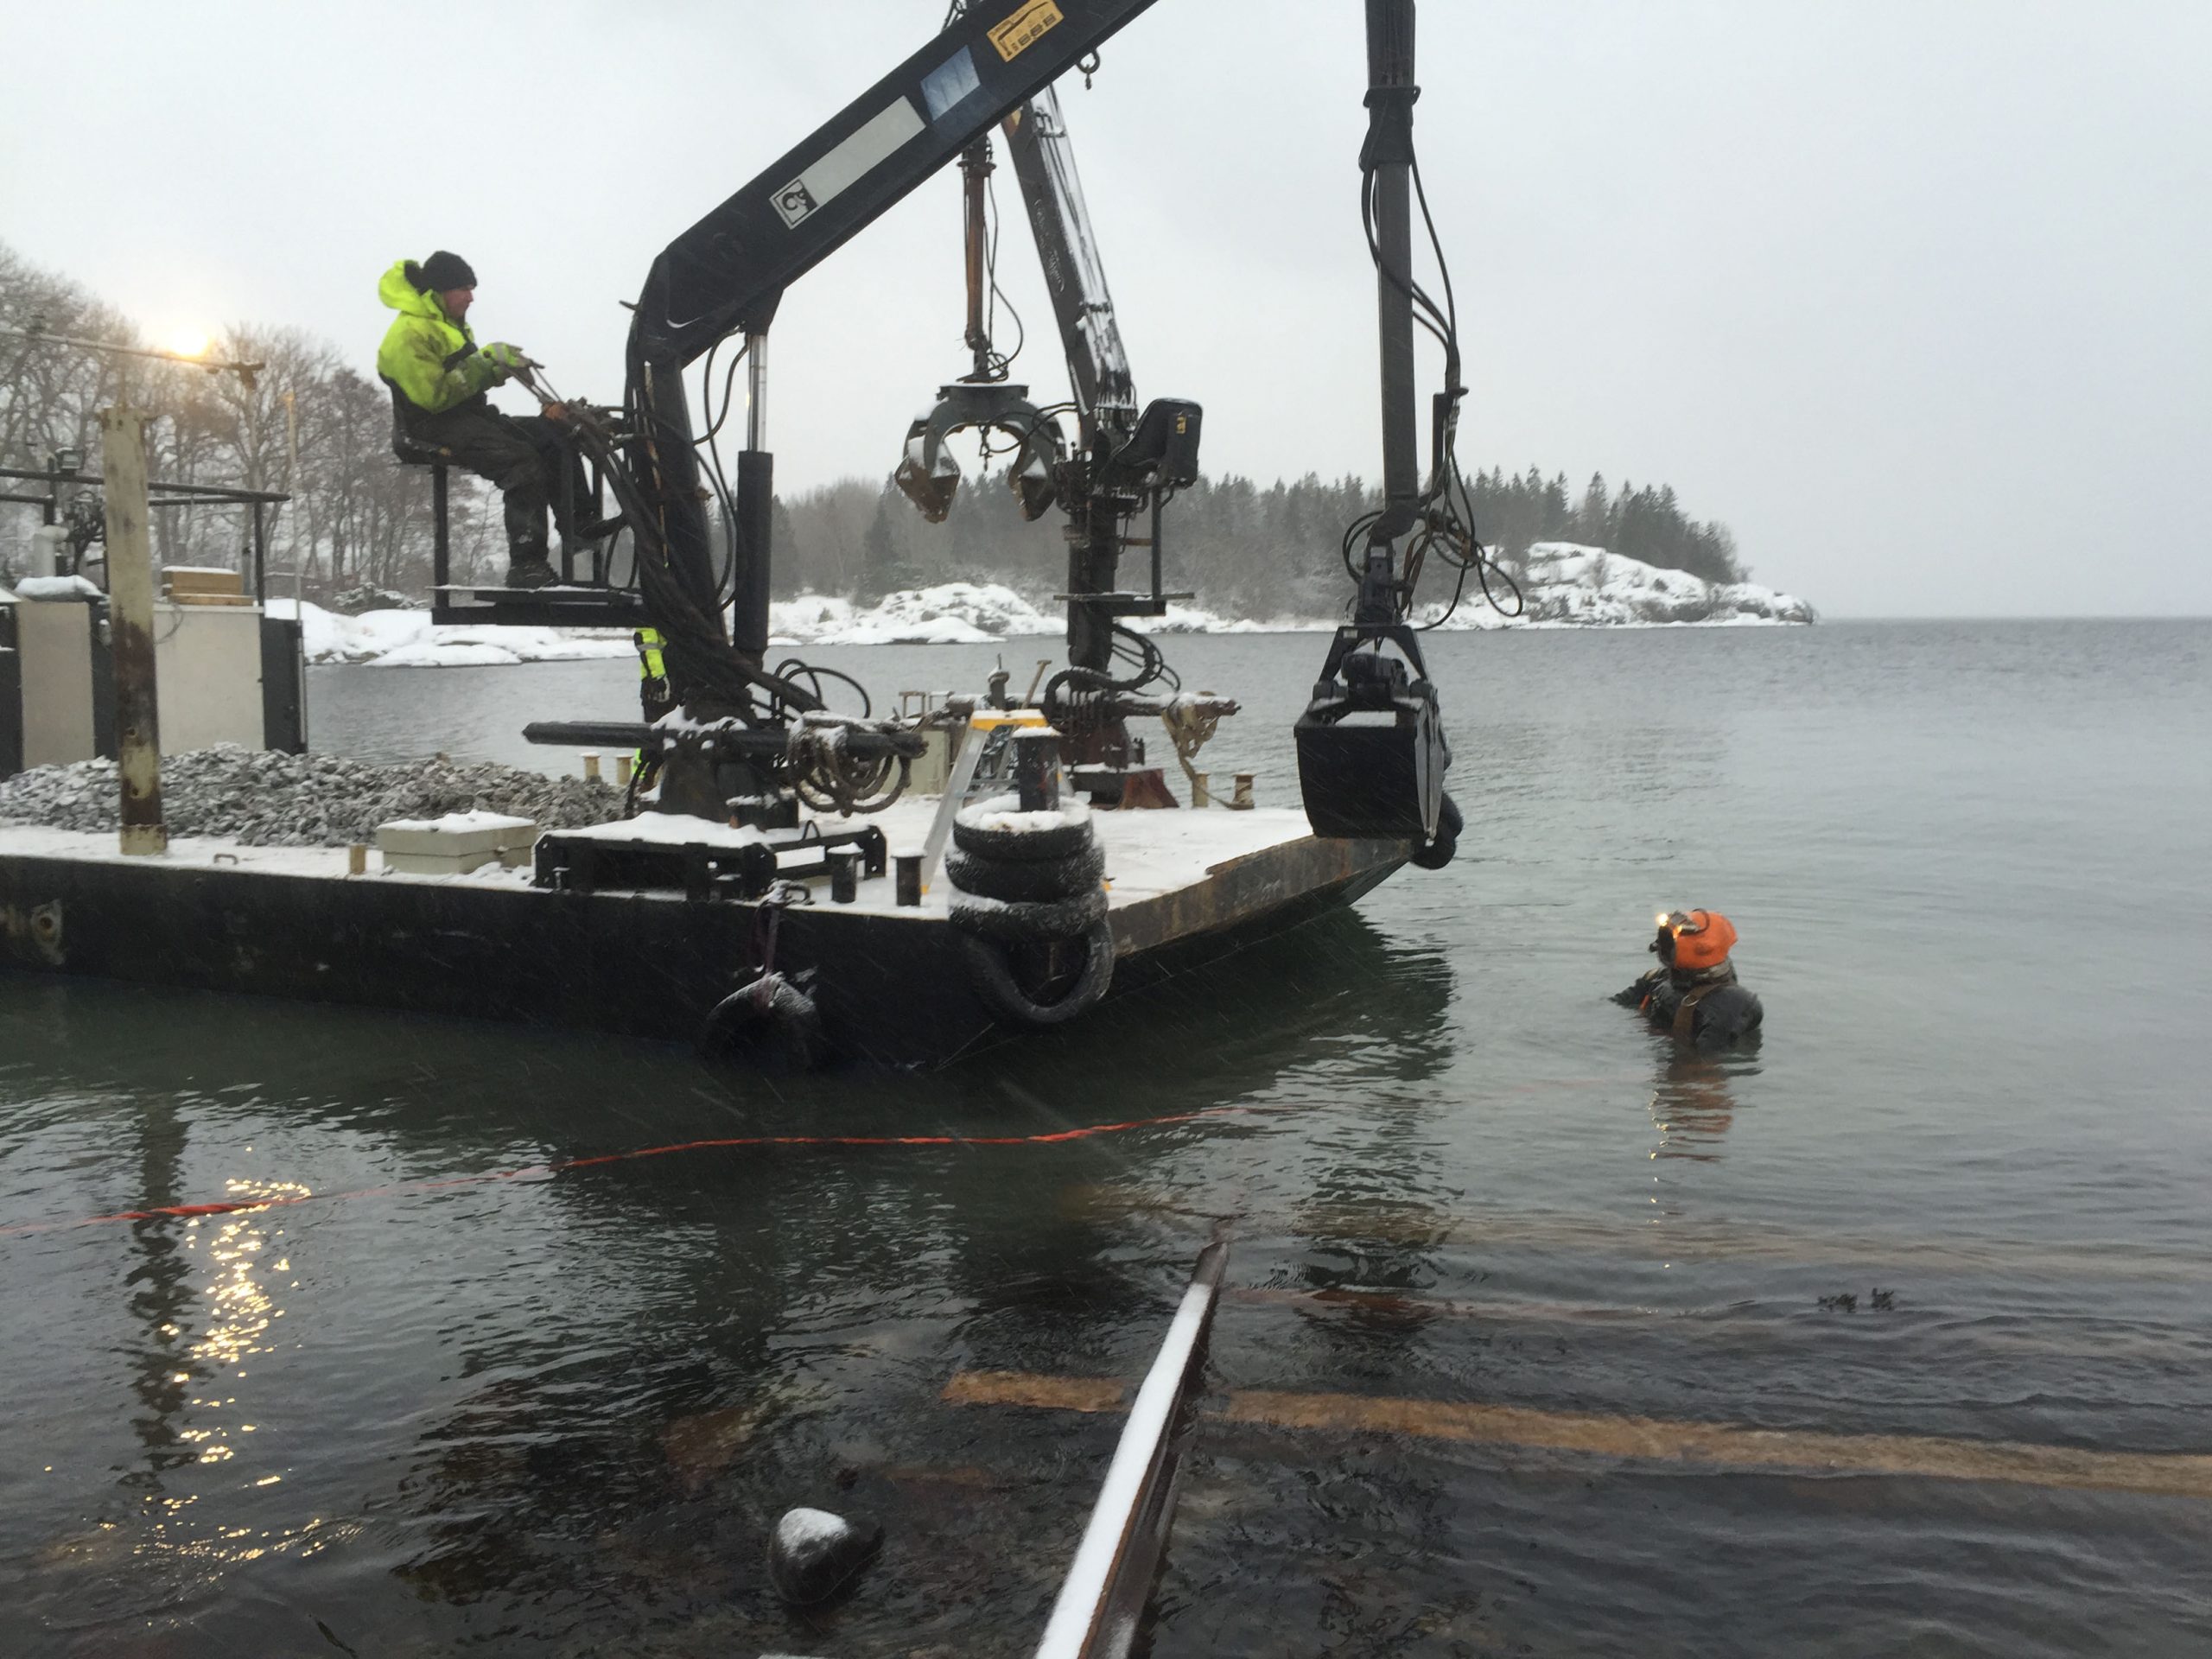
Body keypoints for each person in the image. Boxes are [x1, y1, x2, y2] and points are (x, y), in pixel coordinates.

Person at [376, 251, 617, 588]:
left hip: (468, 417)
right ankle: (527, 565)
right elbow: (433, 397)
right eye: (464, 289)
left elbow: (465, 380)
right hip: (429, 425)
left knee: (553, 434)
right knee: (520, 460)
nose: (471, 298)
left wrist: (496, 366)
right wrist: (487, 361)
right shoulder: (408, 333)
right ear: (441, 291)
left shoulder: (448, 325)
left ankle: (580, 523)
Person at [1613, 907, 1764, 1052]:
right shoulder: (1657, 978)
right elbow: (1615, 1004)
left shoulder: (1733, 1003)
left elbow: (1702, 1061)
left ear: (1703, 948)